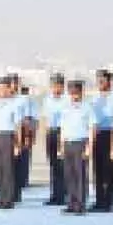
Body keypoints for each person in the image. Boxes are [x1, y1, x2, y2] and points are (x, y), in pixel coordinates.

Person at [59, 80, 96, 215]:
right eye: (72, 93)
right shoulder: (65, 108)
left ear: (81, 92)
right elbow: (63, 128)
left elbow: (92, 128)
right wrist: (61, 146)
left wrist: (89, 147)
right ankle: (71, 203)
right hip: (68, 143)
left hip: (81, 143)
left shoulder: (87, 107)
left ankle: (80, 204)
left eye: (77, 92)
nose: (74, 95)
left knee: (80, 175)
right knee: (69, 175)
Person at [0, 82, 22, 209]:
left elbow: (18, 126)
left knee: (7, 169)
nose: (1, 91)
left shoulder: (14, 105)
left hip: (7, 136)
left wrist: (17, 144)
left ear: (9, 90)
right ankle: (1, 197)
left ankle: (8, 200)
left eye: (4, 88)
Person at [91, 70, 113, 212]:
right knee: (98, 169)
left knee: (108, 169)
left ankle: (108, 201)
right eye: (98, 81)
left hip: (110, 134)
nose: (100, 83)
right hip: (97, 134)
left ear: (109, 81)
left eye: (102, 81)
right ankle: (99, 200)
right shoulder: (95, 98)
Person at [42, 75, 68, 206]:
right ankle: (55, 195)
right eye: (53, 85)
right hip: (51, 132)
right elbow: (46, 119)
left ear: (62, 86)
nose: (55, 88)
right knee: (53, 165)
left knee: (63, 165)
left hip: (62, 132)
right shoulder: (48, 100)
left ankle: (64, 194)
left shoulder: (67, 100)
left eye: (58, 85)